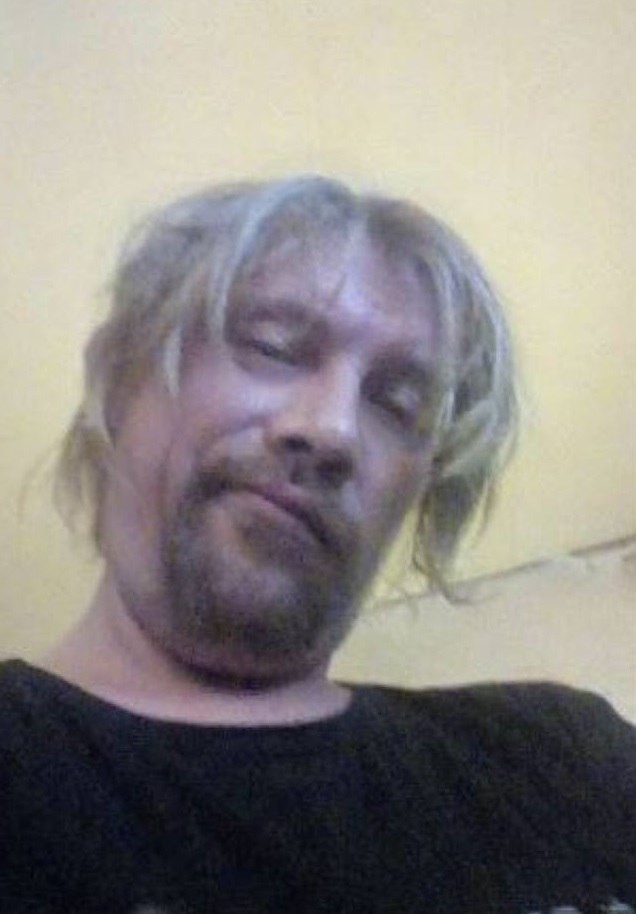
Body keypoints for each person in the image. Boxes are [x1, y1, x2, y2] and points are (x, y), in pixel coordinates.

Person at [1, 176, 634, 914]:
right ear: (119, 383)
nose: (334, 430)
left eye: (395, 403)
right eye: (272, 346)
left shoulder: (563, 760)